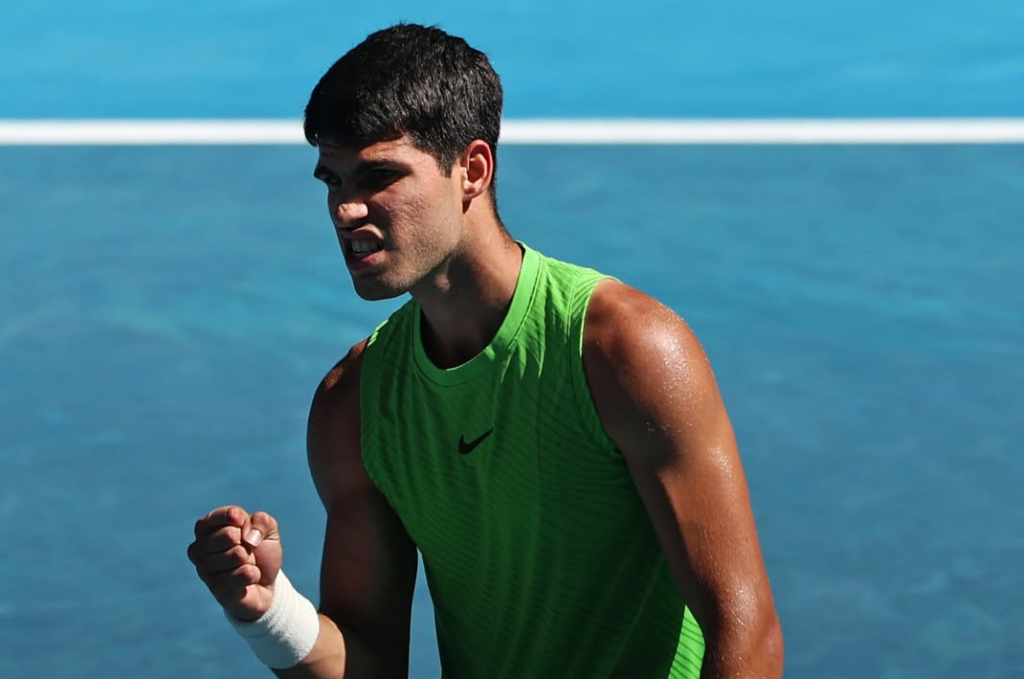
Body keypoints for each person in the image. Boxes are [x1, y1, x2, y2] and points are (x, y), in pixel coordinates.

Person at [187, 22, 783, 679]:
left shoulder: (625, 351)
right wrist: (270, 610)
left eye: (378, 176)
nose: (344, 210)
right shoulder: (352, 405)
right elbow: (370, 662)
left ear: (471, 169)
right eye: (332, 180)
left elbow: (745, 633)